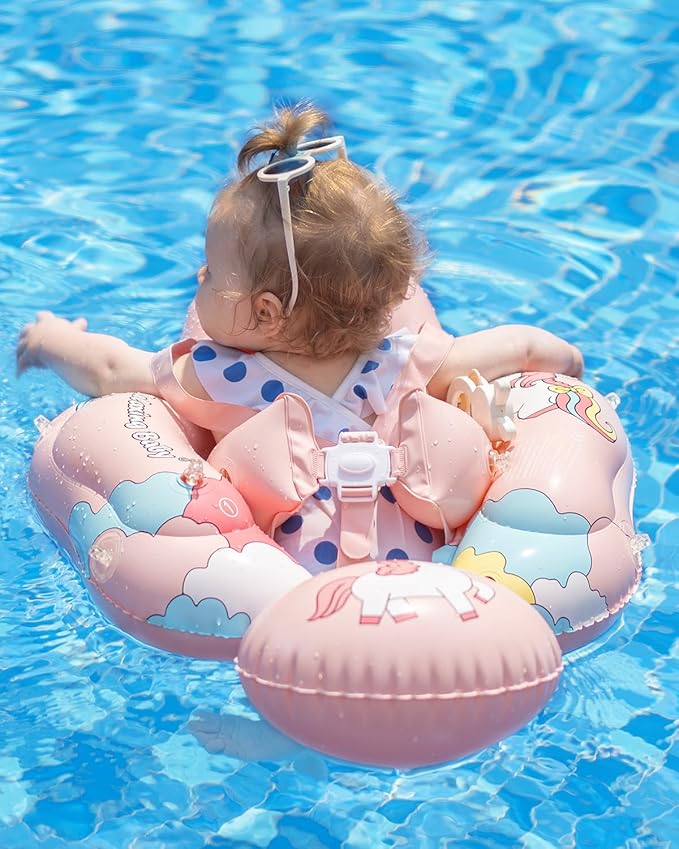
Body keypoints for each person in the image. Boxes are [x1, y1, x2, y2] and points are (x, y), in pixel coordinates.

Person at [16, 104, 583, 573]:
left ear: (266, 312)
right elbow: (524, 348)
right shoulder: (410, 361)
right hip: (431, 575)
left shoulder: (218, 375)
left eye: (211, 273)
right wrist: (568, 369)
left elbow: (110, 370)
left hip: (290, 588)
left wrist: (49, 340)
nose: (199, 277)